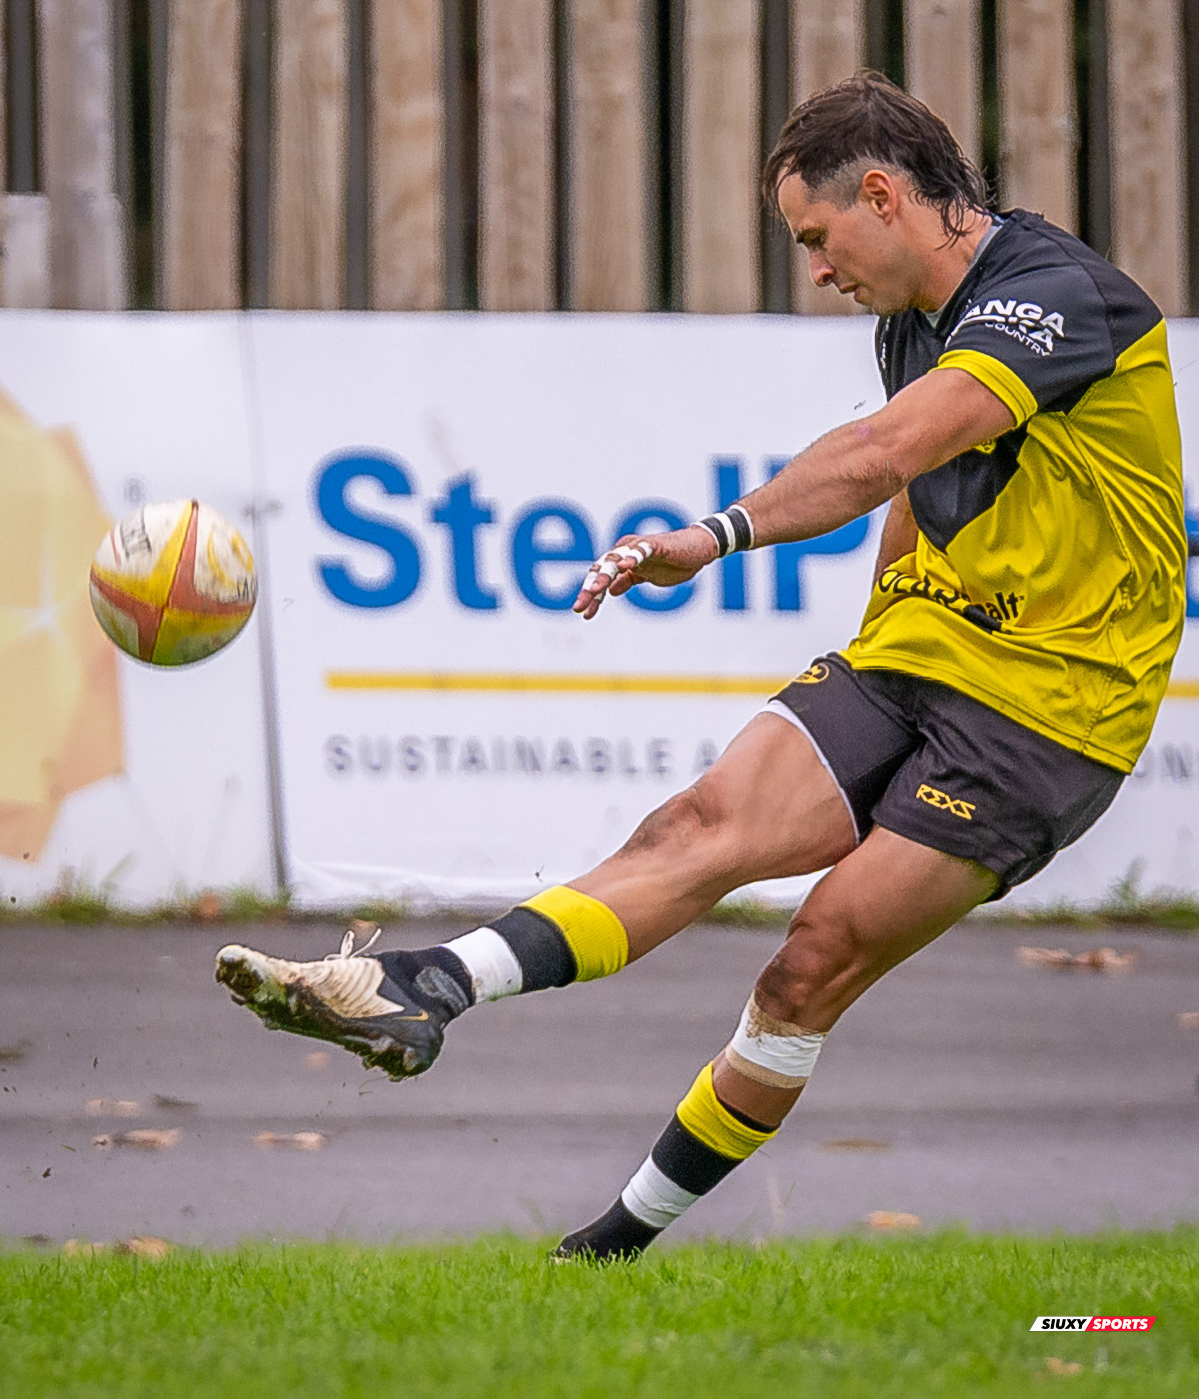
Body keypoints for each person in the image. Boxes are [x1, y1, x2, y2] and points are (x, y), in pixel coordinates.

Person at [216, 71, 1185, 1261]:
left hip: (1049, 713)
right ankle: (423, 989)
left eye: (816, 238)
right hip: (920, 649)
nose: (818, 270)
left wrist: (715, 536)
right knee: (694, 823)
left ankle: (611, 1246)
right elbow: (923, 492)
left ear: (882, 195)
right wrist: (879, 634)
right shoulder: (909, 320)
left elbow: (889, 450)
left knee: (809, 965)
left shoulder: (1058, 298)